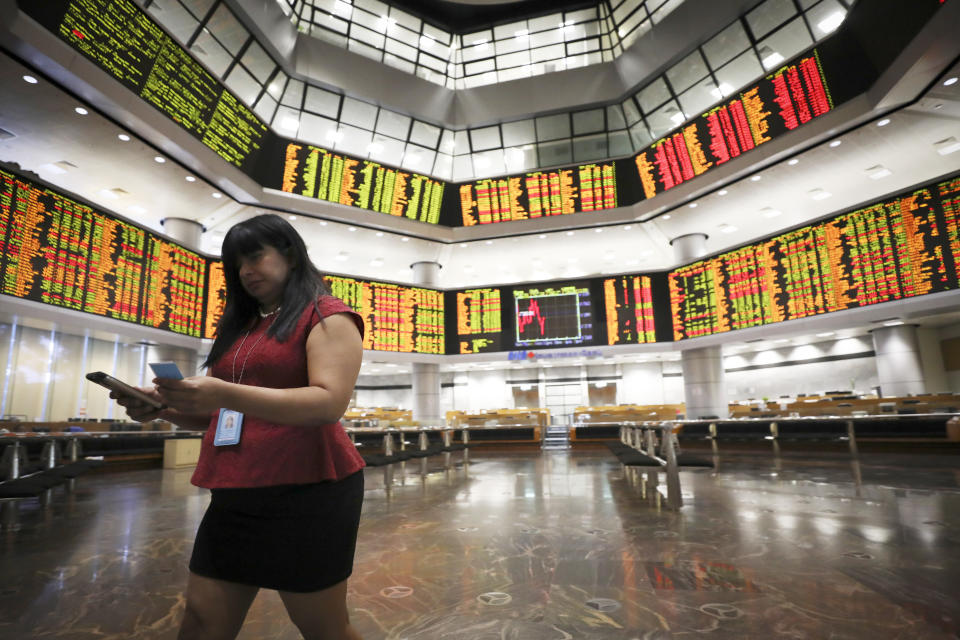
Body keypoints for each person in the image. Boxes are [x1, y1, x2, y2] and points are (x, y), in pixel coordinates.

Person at [113, 213, 366, 640]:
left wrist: (224, 393)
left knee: (324, 628)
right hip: (236, 489)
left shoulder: (328, 316)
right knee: (201, 620)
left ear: (289, 253)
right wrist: (163, 408)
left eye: (255, 256)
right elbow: (221, 414)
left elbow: (327, 402)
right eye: (236, 264)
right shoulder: (244, 326)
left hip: (308, 491)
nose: (246, 271)